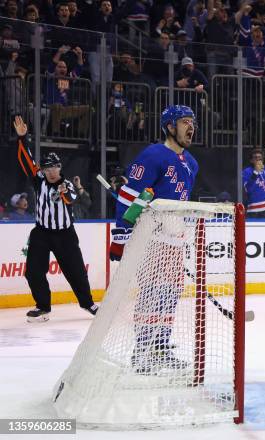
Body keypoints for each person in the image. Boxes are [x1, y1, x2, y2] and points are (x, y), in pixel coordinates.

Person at [110, 105, 199, 374]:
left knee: (170, 295)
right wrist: (120, 234)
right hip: (150, 238)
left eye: (192, 122)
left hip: (175, 238)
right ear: (170, 126)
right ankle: (142, 352)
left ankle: (160, 348)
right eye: (185, 122)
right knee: (151, 294)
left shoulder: (192, 163)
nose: (191, 127)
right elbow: (128, 196)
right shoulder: (152, 155)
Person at [13, 116, 97, 322]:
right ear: (43, 170)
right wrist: (23, 138)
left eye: (54, 167)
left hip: (65, 235)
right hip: (41, 232)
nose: (51, 172)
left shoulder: (67, 184)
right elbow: (26, 161)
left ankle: (88, 304)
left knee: (76, 272)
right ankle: (43, 307)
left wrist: (64, 193)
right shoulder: (38, 180)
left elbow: (72, 199)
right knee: (33, 271)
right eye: (47, 168)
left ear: (60, 168)